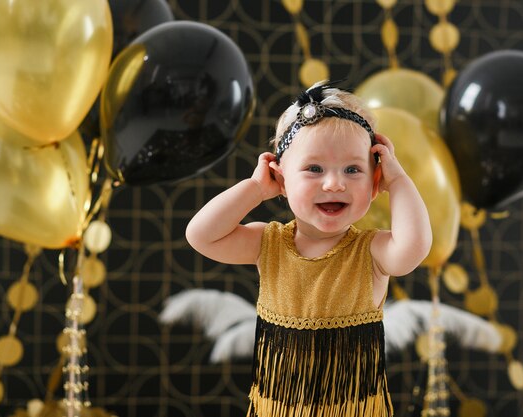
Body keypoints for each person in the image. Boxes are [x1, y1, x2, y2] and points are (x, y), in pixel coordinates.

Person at [185, 81, 432, 417]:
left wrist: (399, 180)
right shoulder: (267, 243)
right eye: (314, 169)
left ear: (375, 184)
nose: (334, 183)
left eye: (353, 169)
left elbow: (413, 247)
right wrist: (255, 188)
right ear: (281, 180)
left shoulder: (371, 252)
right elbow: (201, 235)